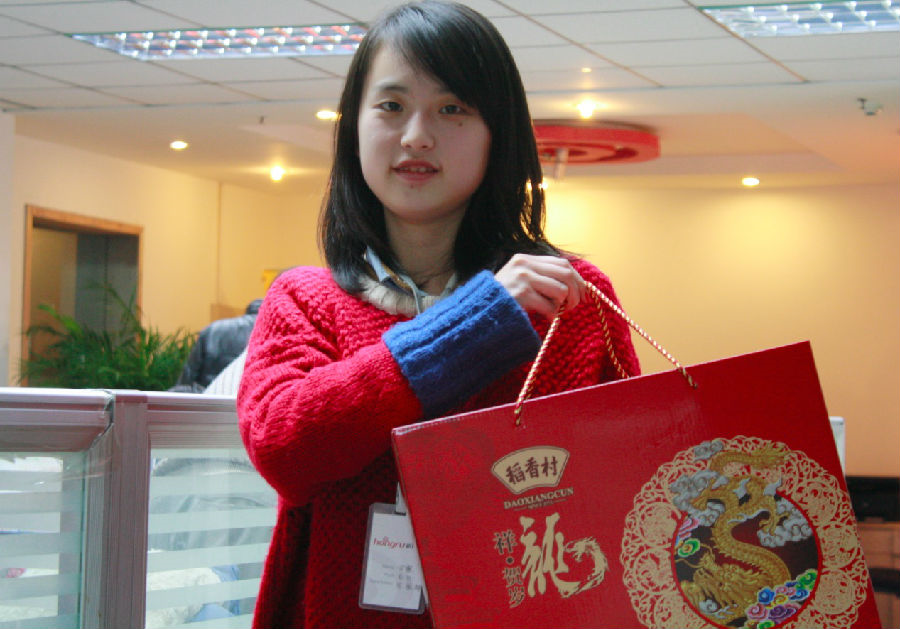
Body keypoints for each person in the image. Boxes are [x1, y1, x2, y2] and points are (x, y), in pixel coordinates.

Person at [236, 2, 640, 627]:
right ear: (354, 127)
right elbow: (285, 450)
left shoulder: (567, 298)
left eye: (452, 109)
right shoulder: (305, 299)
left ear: (497, 132)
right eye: (391, 105)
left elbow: (628, 485)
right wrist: (477, 321)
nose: (416, 136)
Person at [171, 299, 262, 392]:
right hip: (240, 398)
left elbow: (188, 375)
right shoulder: (265, 333)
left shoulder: (212, 329)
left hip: (208, 397)